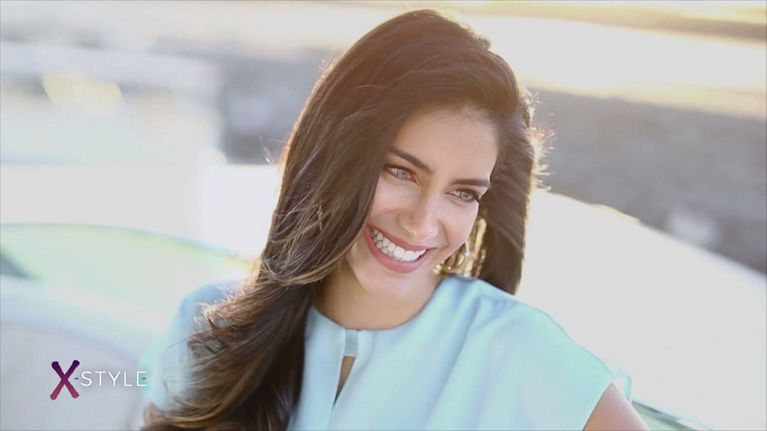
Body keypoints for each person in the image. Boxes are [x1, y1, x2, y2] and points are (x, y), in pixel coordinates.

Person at [141, 9, 649, 431]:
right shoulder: (209, 326)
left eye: (462, 193)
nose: (423, 222)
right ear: (335, 155)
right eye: (401, 171)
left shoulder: (519, 350)